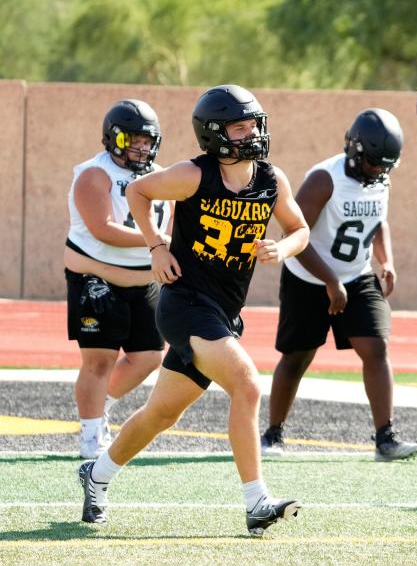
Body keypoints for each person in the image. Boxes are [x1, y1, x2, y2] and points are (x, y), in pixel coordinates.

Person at [78, 85, 310, 537]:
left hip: (223, 313)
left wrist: (281, 248)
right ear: (215, 134)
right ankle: (256, 501)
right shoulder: (193, 175)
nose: (253, 132)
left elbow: (299, 228)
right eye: (240, 126)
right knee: (246, 385)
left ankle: (96, 475)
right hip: (184, 303)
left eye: (254, 123)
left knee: (161, 414)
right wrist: (156, 246)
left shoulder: (270, 179)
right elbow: (139, 192)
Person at [260, 108, 417, 462]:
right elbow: (293, 234)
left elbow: (378, 221)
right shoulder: (324, 179)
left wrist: (387, 260)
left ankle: (385, 438)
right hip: (307, 277)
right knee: (297, 357)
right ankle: (273, 433)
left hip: (357, 273)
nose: (379, 171)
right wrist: (330, 281)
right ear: (355, 149)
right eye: (374, 164)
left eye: (385, 166)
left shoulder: (380, 178)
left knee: (376, 348)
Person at [65, 99, 171, 460]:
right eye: (133, 139)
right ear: (113, 137)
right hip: (97, 275)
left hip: (144, 278)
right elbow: (103, 230)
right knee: (99, 359)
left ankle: (99, 402)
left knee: (149, 358)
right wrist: (160, 242)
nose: (141, 146)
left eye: (147, 140)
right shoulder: (95, 174)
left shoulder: (161, 175)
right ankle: (91, 438)